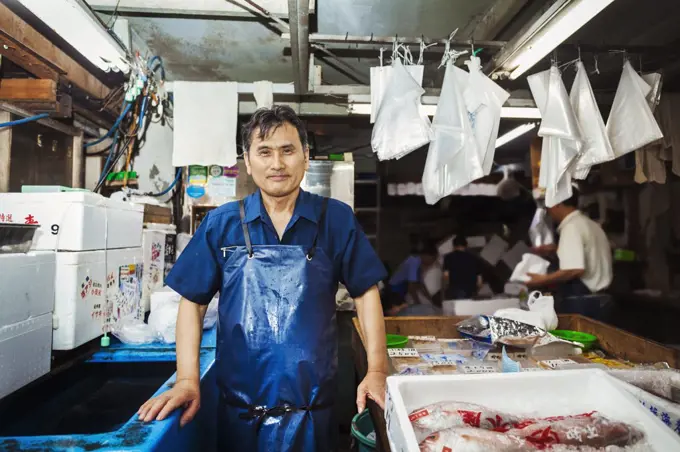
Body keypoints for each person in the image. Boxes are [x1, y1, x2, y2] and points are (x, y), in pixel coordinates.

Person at [137, 106, 388, 451]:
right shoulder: (221, 224)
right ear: (248, 159)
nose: (277, 164)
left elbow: (366, 293)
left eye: (288, 150)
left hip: (316, 415)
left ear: (305, 156)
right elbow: (192, 304)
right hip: (240, 416)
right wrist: (186, 380)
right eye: (265, 152)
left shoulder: (337, 220)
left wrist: (377, 369)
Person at [526, 189, 613, 308]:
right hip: (600, 299)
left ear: (557, 203)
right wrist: (555, 249)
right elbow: (585, 252)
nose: (549, 212)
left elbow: (574, 269)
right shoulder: (588, 224)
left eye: (548, 206)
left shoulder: (571, 227)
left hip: (585, 303)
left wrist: (542, 279)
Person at [384, 239, 438, 309]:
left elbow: (421, 285)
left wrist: (431, 300)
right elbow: (412, 288)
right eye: (432, 259)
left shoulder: (419, 264)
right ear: (426, 255)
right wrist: (418, 304)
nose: (432, 262)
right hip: (395, 289)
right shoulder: (414, 262)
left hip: (402, 289)